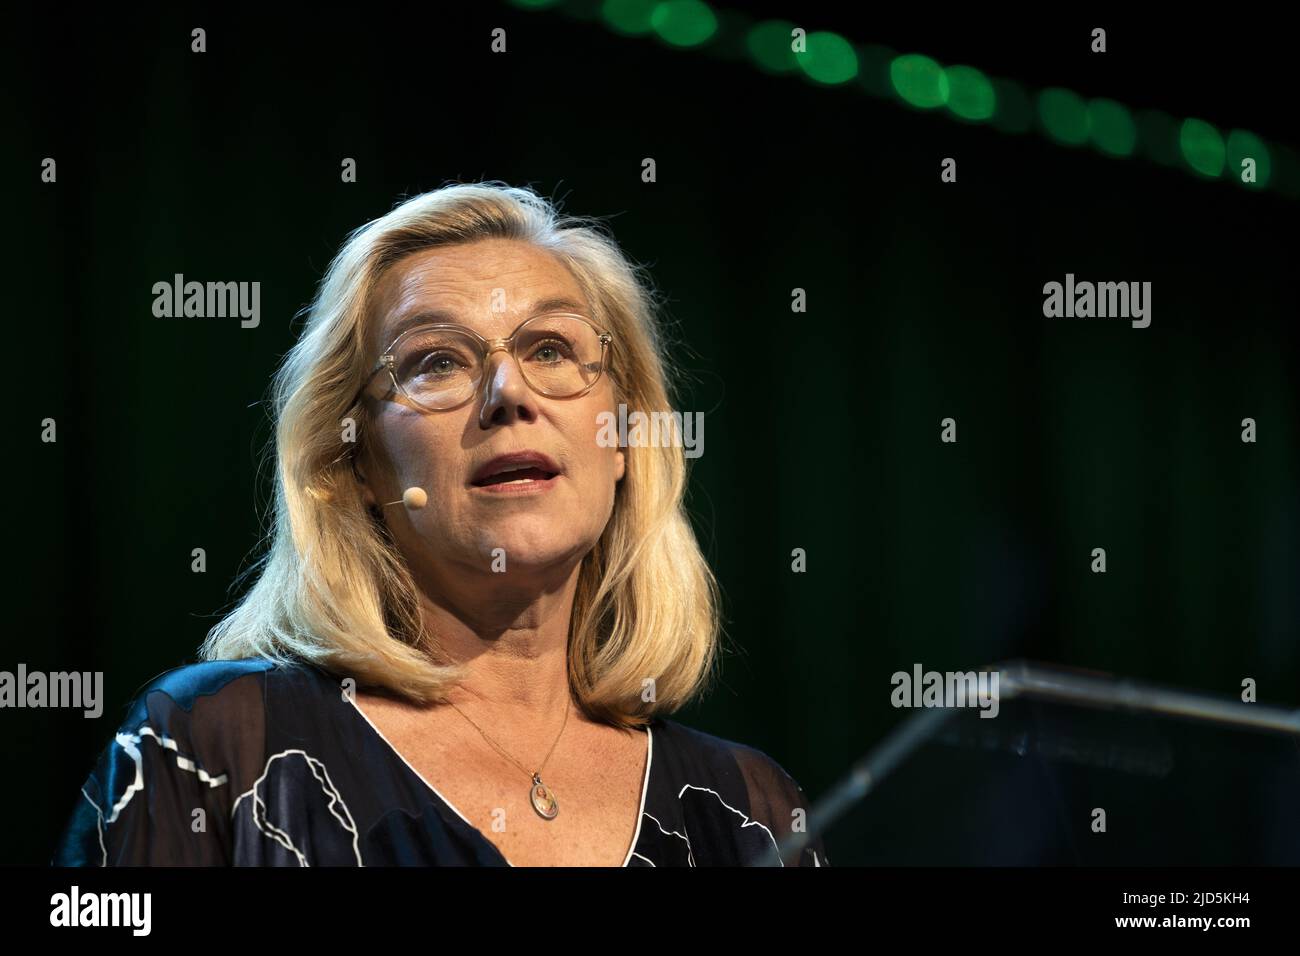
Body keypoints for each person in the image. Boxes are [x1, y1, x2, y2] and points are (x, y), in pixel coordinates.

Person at [51, 182, 829, 867]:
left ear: (624, 437)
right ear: (354, 464)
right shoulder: (217, 747)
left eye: (551, 348)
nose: (507, 393)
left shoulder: (748, 809)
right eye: (436, 362)